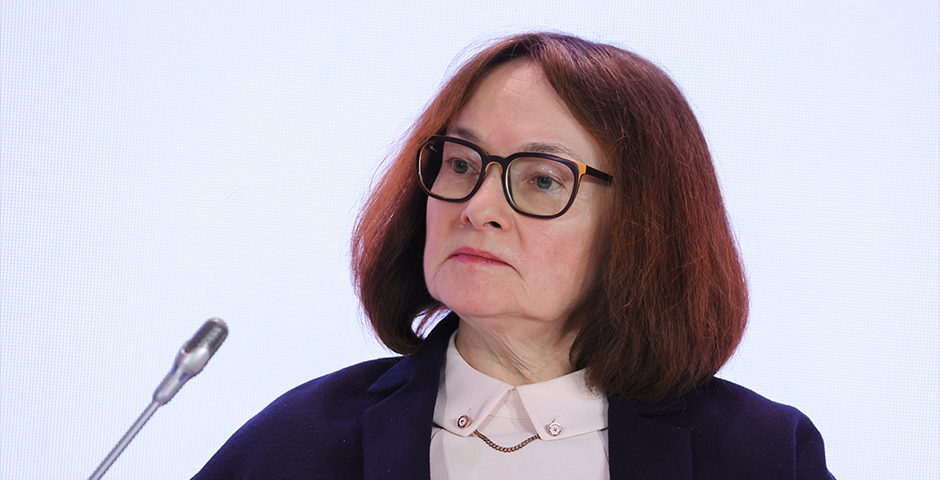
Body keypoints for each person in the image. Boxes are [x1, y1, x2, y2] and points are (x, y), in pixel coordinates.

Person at [192, 32, 834, 479]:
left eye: (542, 180)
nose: (477, 208)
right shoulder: (297, 444)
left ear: (643, 224)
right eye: (461, 164)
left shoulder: (761, 454)